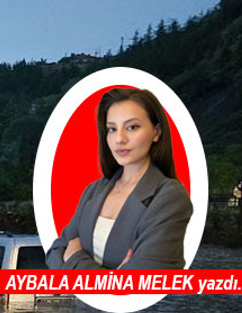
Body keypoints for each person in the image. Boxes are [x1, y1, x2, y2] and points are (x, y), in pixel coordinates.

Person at [46, 88, 193, 271]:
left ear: (156, 132)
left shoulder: (170, 197)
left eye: (132, 127)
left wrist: (75, 258)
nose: (119, 139)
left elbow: (137, 284)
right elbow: (54, 252)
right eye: (112, 129)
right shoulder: (94, 190)